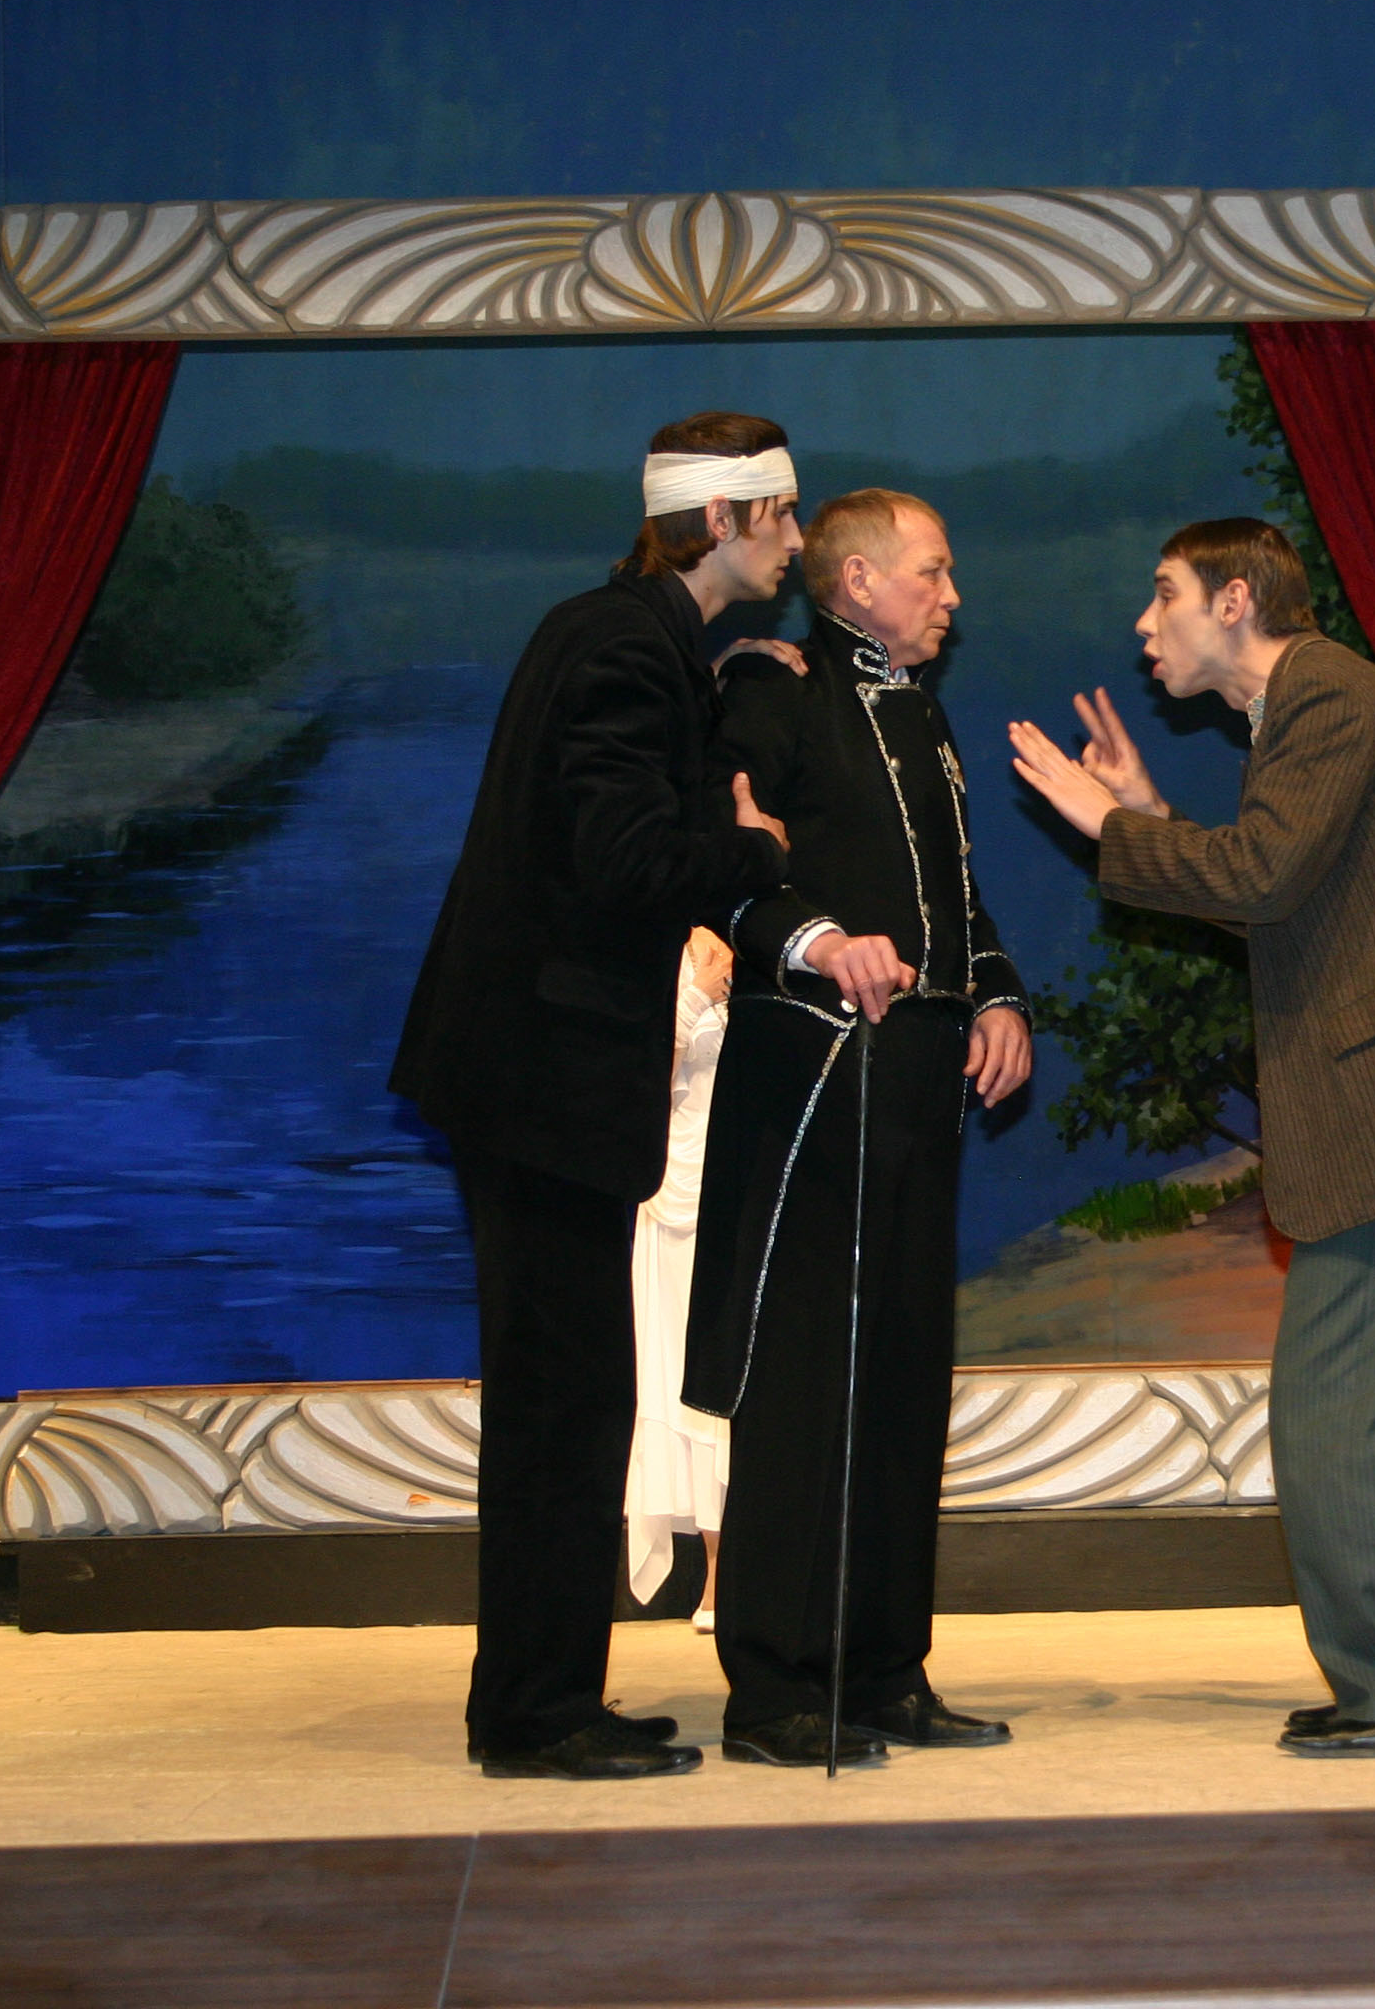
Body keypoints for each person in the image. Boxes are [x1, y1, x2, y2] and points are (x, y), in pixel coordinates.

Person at [1006, 519, 1375, 1758]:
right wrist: (1151, 812)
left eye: (1164, 595)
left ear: (1235, 599)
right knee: (1357, 1414)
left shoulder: (1327, 702)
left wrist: (1110, 824)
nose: (1144, 625)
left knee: (1345, 1419)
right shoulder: (1304, 708)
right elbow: (1290, 901)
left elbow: (1261, 876)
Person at [391, 412, 803, 1781]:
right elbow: (626, 857)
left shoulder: (620, 634)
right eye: (783, 516)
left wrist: (723, 686)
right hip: (543, 1075)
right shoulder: (627, 649)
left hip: (527, 1070)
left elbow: (616, 797)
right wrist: (749, 851)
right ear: (725, 520)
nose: (797, 542)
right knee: (561, 1406)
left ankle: (547, 1691)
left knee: (568, 1397)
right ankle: (534, 1711)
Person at [685, 487, 1034, 1769]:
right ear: (857, 582)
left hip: (919, 1078)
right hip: (817, 1079)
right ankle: (774, 1684)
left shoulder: (920, 712)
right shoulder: (772, 691)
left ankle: (885, 1668)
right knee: (804, 1379)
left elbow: (955, 895)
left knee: (900, 1376)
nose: (952, 596)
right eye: (932, 572)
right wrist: (821, 938)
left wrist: (996, 993)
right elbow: (724, 866)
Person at [623, 926, 737, 1629]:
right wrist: (692, 1001)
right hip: (675, 1193)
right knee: (685, 1376)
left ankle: (762, 1564)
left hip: (751, 1183)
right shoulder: (674, 946)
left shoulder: (773, 936)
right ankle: (717, 1571)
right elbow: (632, 1086)